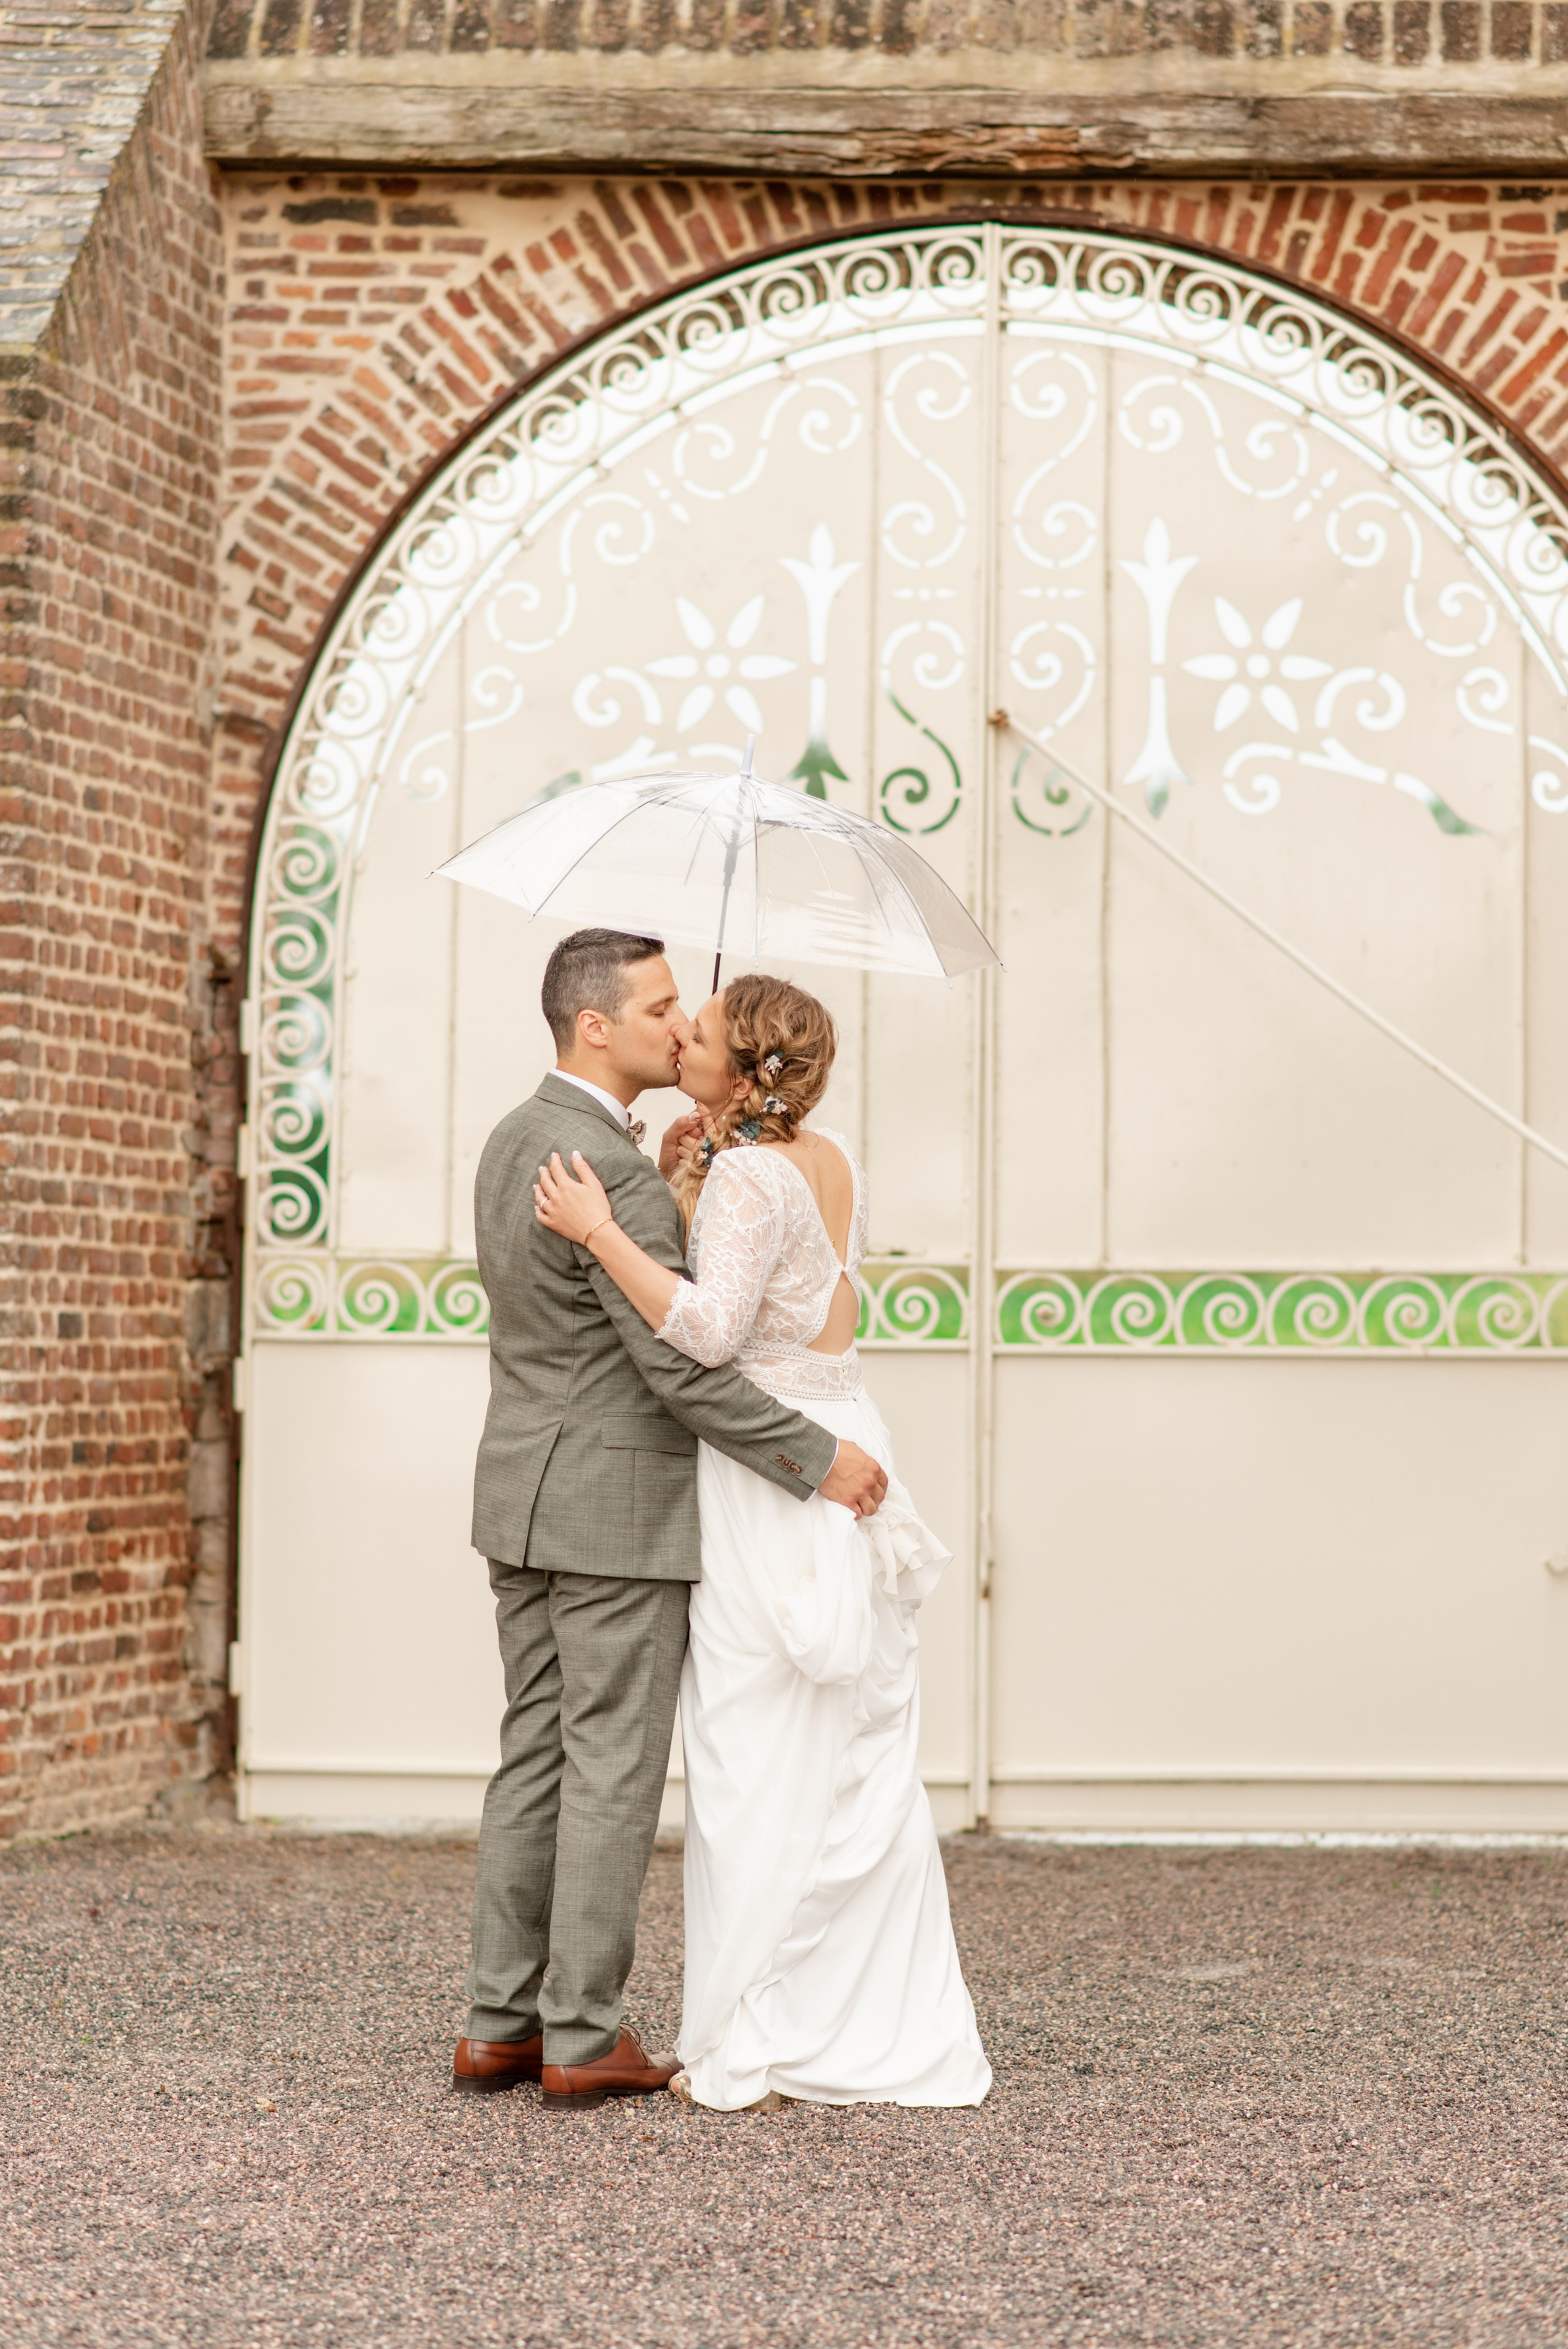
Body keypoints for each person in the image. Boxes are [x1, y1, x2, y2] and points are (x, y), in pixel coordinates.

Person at [534, 970, 990, 2111]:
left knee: (753, 1748)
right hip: (845, 1433)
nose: (682, 1035)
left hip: (772, 1473)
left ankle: (764, 2027)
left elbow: (707, 1328)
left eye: (702, 1030)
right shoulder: (831, 1163)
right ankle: (868, 2019)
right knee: (850, 1748)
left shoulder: (746, 1173)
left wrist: (603, 1230)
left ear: (739, 1069)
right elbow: (799, 1300)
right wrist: (691, 1170)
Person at [453, 929, 888, 2113]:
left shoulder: (516, 1141)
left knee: (533, 1754)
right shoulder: (617, 1178)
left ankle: (499, 2022)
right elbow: (679, 1372)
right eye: (656, 1007)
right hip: (617, 1511)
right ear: (596, 1024)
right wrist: (815, 1457)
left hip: (520, 1495)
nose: (677, 1023)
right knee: (609, 1768)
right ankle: (583, 2035)